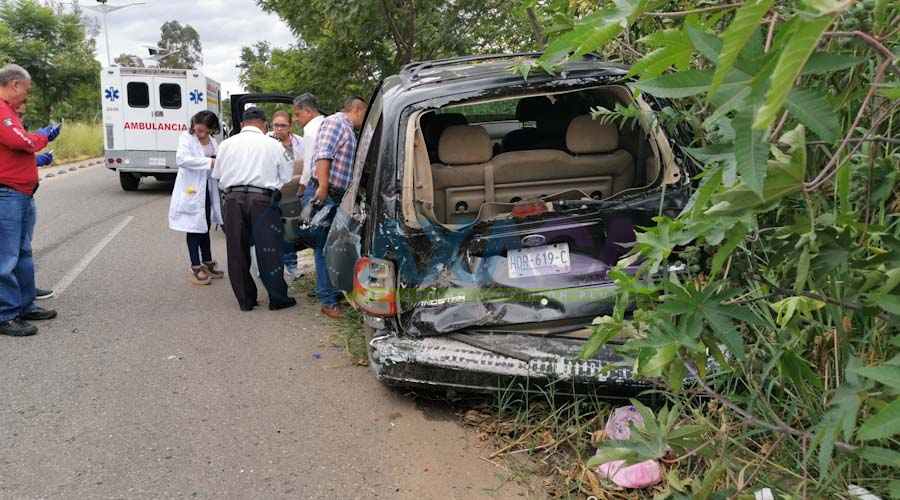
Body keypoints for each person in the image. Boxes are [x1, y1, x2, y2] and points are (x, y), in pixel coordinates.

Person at [211, 107, 296, 312]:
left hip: (232, 200)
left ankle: (245, 300)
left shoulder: (226, 144)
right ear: (264, 124)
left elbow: (218, 175)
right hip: (262, 201)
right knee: (269, 249)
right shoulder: (274, 145)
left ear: (242, 125)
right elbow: (285, 177)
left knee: (237, 251)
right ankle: (277, 299)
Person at [0, 64, 60, 337]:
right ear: (14, 84)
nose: (27, 95)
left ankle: (25, 305)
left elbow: (19, 147)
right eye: (26, 89)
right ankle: (6, 314)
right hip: (8, 192)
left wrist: (35, 149)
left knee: (22, 252)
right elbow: (20, 141)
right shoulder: (1, 110)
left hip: (21, 192)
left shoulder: (10, 111)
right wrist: (44, 136)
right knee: (7, 257)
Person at [299, 96, 367, 319]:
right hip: (326, 193)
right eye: (365, 113)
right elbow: (324, 154)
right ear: (357, 109)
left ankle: (332, 293)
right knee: (324, 248)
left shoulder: (347, 128)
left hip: (335, 195)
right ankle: (327, 300)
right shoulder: (336, 123)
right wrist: (324, 186)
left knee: (333, 246)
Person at [168, 110, 225, 285]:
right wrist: (210, 162)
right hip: (191, 190)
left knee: (205, 225)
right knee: (193, 228)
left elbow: (219, 161)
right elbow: (182, 159)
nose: (198, 133)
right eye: (196, 128)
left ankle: (207, 262)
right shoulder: (186, 138)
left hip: (207, 189)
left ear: (211, 129)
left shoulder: (214, 142)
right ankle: (195, 266)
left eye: (202, 131)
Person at [15, 102, 54, 300]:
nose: (24, 104)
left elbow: (21, 153)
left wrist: (38, 159)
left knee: (23, 248)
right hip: (11, 194)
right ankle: (13, 301)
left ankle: (25, 290)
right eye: (22, 99)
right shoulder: (6, 123)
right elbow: (21, 146)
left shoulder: (16, 122)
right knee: (12, 251)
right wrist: (43, 137)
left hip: (25, 194)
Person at [268, 111, 304, 281]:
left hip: (293, 194)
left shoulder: (300, 142)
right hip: (271, 194)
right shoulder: (265, 141)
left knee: (290, 233)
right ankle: (274, 268)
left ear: (290, 126)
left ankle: (291, 267)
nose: (279, 129)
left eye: (283, 125)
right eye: (276, 125)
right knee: (272, 232)